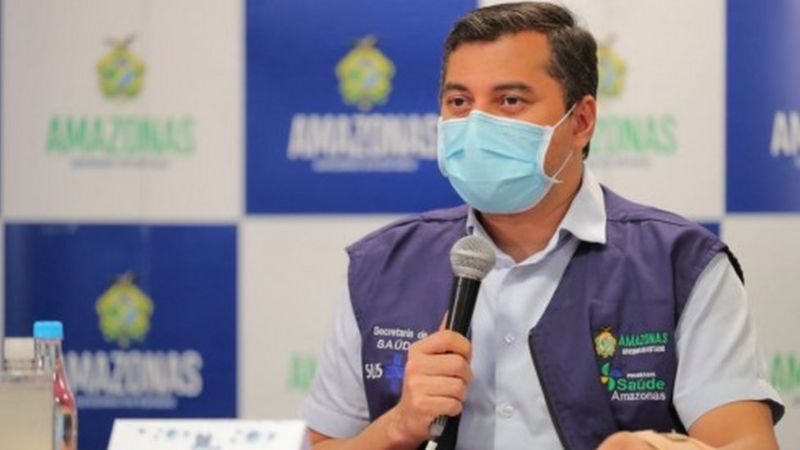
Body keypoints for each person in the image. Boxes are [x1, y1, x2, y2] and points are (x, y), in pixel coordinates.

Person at [302, 3, 784, 449]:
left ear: (582, 121)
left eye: (510, 100)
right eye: (459, 101)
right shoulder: (380, 267)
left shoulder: (680, 264)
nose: (477, 124)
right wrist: (399, 425)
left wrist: (656, 449)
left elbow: (745, 443)